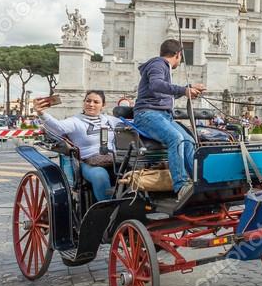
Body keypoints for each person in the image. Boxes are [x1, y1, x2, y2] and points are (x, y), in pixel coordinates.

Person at [133, 39, 206, 204]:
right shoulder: (158, 64)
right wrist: (183, 90)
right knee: (176, 138)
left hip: (162, 115)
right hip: (147, 114)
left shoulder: (160, 67)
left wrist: (189, 88)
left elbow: (163, 91)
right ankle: (181, 186)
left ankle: (198, 182)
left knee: (188, 140)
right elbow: (156, 85)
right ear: (178, 54)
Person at [36, 90, 121, 201]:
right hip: (87, 163)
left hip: (113, 160)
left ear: (103, 105)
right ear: (83, 102)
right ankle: (108, 209)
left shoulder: (110, 120)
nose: (91, 104)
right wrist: (41, 113)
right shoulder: (75, 121)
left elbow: (132, 124)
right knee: (100, 175)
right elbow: (58, 127)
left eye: (96, 102)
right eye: (88, 101)